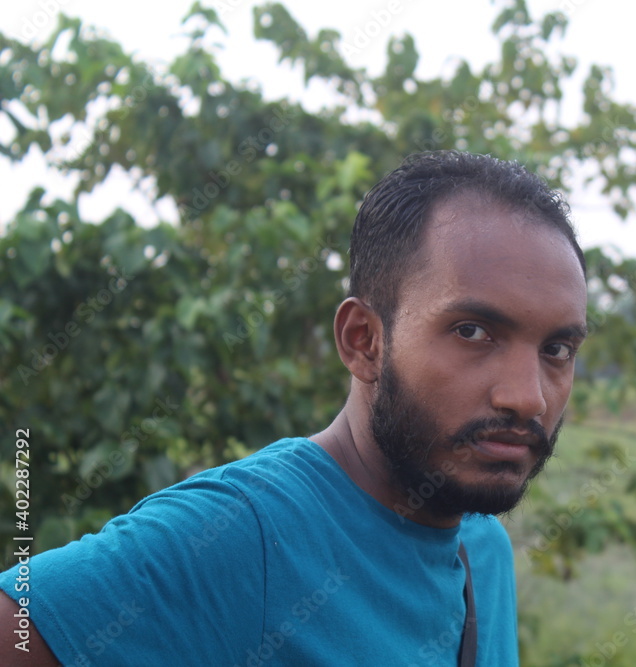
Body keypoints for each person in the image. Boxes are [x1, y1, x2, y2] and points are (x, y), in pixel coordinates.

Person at [0, 150, 589, 666]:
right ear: (364, 341)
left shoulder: (482, 549)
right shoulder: (242, 535)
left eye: (556, 348)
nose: (528, 396)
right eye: (471, 331)